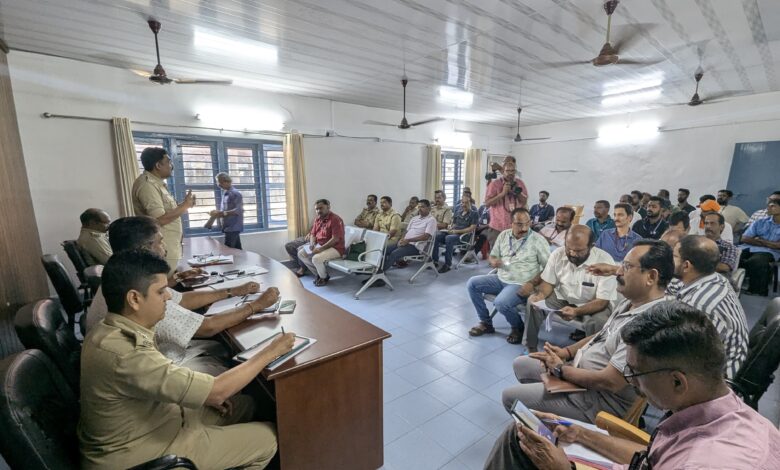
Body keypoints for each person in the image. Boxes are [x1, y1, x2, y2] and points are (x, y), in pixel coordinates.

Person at [484, 302, 780, 470]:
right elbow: (650, 458)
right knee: (518, 437)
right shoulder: (719, 413)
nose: (631, 381)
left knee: (517, 444)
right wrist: (581, 433)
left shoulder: (705, 461)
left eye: (636, 372)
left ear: (677, 381)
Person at [79, 249, 293, 469]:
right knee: (269, 437)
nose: (168, 296)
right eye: (160, 292)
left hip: (159, 420)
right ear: (134, 299)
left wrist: (204, 396)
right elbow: (217, 391)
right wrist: (272, 350)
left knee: (246, 404)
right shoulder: (125, 353)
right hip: (145, 452)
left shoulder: (110, 329)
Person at [84, 216, 275, 375]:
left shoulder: (121, 274)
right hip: (159, 371)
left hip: (151, 362)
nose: (165, 248)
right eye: (160, 242)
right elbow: (208, 327)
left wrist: (232, 291)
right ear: (144, 249)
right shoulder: (139, 292)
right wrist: (256, 305)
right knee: (234, 358)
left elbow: (182, 299)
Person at [504, 240, 671, 421]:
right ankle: (545, 413)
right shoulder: (631, 302)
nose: (618, 272)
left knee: (510, 397)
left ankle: (549, 425)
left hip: (598, 400)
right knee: (520, 364)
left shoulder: (647, 326)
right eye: (622, 265)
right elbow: (603, 334)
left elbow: (610, 382)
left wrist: (560, 369)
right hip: (580, 373)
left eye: (627, 267)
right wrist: (567, 352)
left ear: (651, 277)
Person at [667, 235, 748, 379]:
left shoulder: (700, 305)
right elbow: (675, 287)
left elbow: (684, 354)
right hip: (717, 361)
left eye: (674, 256)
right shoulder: (715, 278)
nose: (669, 260)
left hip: (716, 378)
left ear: (686, 265)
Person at [526, 226, 617, 351]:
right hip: (563, 297)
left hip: (593, 303)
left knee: (599, 322)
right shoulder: (558, 254)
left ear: (591, 246)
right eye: (569, 248)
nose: (573, 253)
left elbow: (602, 301)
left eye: (578, 251)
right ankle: (530, 347)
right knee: (533, 303)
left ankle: (590, 356)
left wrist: (576, 311)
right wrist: (540, 295)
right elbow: (549, 283)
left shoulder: (605, 261)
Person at [467, 208, 549, 345]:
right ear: (511, 223)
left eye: (527, 223)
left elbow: (548, 268)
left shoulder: (538, 240)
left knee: (501, 303)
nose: (524, 228)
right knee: (472, 283)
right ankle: (486, 323)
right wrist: (493, 261)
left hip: (521, 283)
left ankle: (518, 327)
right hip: (501, 278)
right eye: (519, 224)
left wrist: (532, 283)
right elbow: (493, 255)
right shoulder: (504, 235)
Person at [132, 147, 196, 271]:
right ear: (158, 165)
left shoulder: (157, 183)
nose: (172, 166)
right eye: (169, 162)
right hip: (162, 247)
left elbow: (167, 212)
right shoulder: (147, 185)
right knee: (165, 282)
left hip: (170, 246)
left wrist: (184, 204)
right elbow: (158, 220)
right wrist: (184, 206)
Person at [371, 199, 437, 287]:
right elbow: (406, 231)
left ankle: (378, 276)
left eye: (423, 207)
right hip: (405, 243)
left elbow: (426, 237)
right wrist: (402, 239)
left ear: (428, 208)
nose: (420, 209)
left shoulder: (431, 220)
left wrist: (408, 240)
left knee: (394, 254)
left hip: (416, 246)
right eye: (419, 207)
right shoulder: (414, 218)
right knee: (383, 250)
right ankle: (377, 271)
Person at [297, 199, 345, 287]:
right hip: (320, 245)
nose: (318, 211)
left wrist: (320, 249)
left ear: (328, 207)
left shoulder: (335, 219)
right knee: (301, 253)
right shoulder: (317, 219)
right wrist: (312, 244)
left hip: (335, 248)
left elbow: (335, 239)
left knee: (316, 259)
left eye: (321, 208)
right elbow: (313, 234)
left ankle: (324, 277)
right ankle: (319, 274)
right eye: (317, 209)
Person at [739, 196, 780, 296]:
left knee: (757, 261)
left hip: (770, 252)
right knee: (734, 254)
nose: (768, 208)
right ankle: (731, 283)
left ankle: (757, 290)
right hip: (749, 247)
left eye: (773, 206)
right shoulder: (760, 222)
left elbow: (778, 246)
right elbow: (744, 238)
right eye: (768, 205)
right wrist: (770, 243)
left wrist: (760, 240)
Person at [484, 161, 528, 249]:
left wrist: (518, 192)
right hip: (497, 228)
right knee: (497, 255)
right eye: (508, 171)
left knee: (515, 253)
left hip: (515, 228)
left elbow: (524, 201)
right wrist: (502, 194)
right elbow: (487, 203)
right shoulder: (495, 184)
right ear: (503, 171)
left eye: (513, 171)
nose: (510, 173)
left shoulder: (520, 183)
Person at [433, 194, 477, 273]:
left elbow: (471, 228)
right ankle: (435, 261)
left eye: (466, 203)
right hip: (454, 234)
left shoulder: (474, 214)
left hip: (464, 237)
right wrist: (450, 228)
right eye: (462, 202)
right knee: (437, 236)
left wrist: (456, 231)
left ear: (470, 203)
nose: (464, 205)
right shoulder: (459, 212)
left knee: (449, 238)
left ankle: (448, 264)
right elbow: (454, 224)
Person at [208, 172, 243, 249]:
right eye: (218, 182)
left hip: (233, 227)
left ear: (227, 181)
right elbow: (226, 209)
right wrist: (218, 212)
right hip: (228, 227)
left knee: (228, 251)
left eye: (220, 182)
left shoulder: (235, 193)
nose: (218, 184)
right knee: (237, 250)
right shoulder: (225, 193)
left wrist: (222, 213)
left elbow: (238, 210)